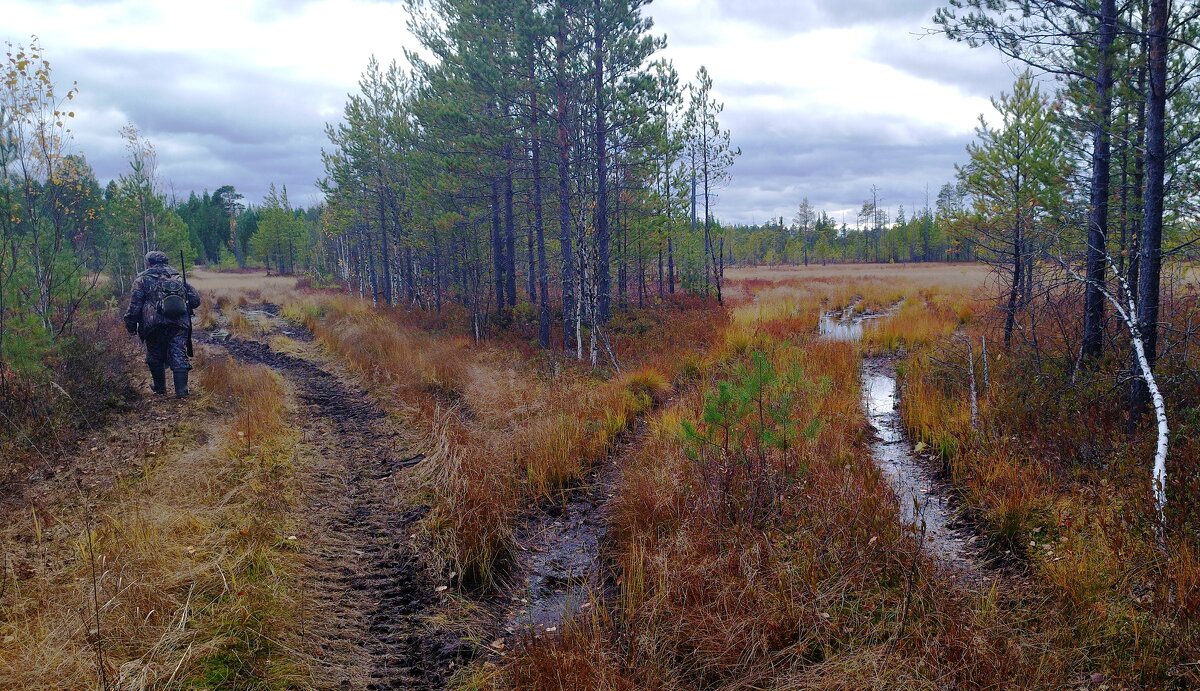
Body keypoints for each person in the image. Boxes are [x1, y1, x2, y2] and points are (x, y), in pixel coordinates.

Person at [123, 250, 201, 397]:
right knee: (179, 353)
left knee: (154, 355)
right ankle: (182, 391)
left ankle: (159, 389)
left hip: (154, 325)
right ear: (166, 262)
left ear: (149, 263)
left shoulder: (142, 280)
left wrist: (131, 325)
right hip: (179, 323)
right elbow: (196, 301)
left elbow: (134, 307)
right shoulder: (178, 278)